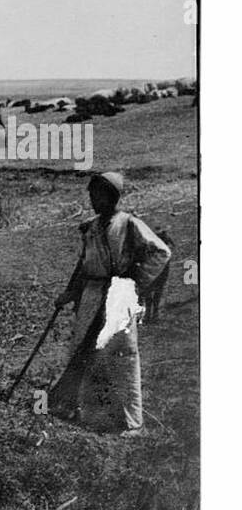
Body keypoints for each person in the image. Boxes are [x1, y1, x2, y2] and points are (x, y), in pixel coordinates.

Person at [50, 171, 171, 435]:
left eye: (99, 194)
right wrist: (69, 294)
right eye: (91, 194)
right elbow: (83, 265)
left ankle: (130, 421)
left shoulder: (128, 224)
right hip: (92, 296)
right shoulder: (91, 228)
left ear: (113, 196)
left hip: (118, 296)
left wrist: (136, 280)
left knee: (121, 356)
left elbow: (161, 251)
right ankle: (89, 414)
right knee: (85, 352)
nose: (93, 199)